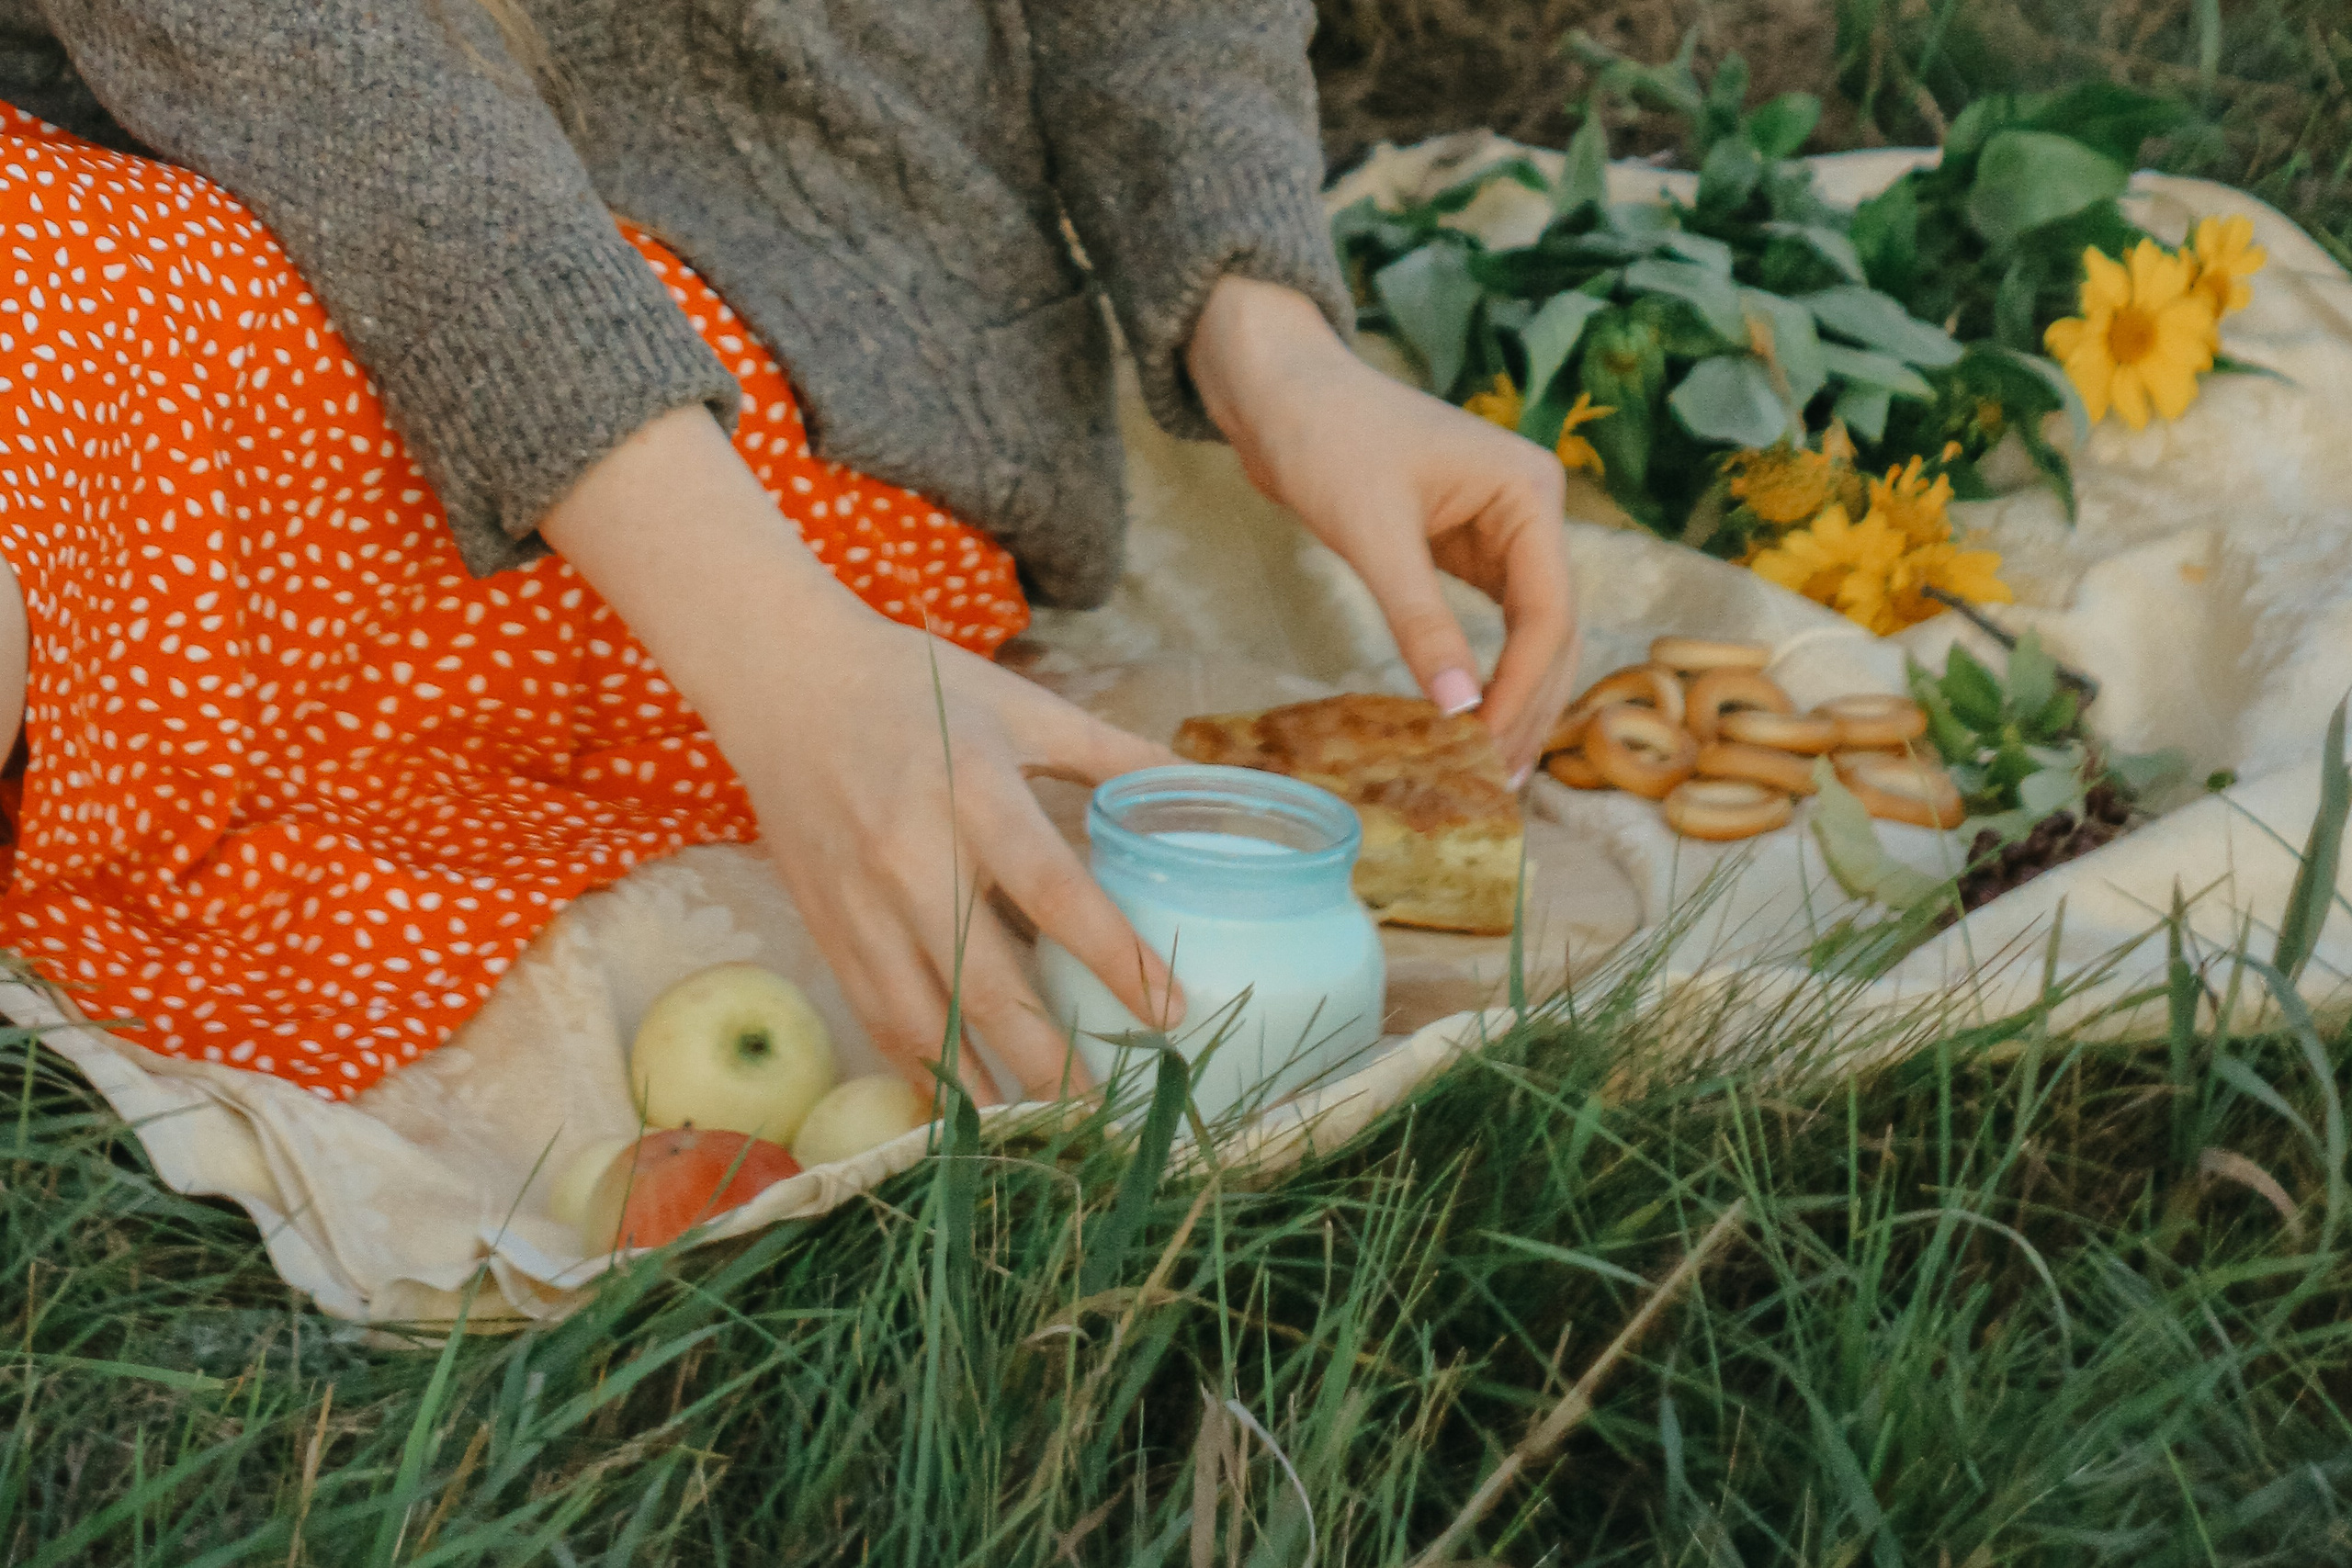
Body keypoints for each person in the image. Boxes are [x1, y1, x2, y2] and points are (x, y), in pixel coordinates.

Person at [0, 0, 1577, 1104]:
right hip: (243, 204)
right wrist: (782, 657)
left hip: (815, 374)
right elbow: (308, 69)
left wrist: (1272, 345)